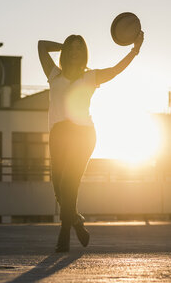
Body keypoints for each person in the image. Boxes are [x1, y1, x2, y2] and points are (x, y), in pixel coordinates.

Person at [38, 31, 144, 252]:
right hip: (58, 134)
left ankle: (64, 233)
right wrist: (65, 44)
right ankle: (76, 220)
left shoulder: (90, 77)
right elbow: (41, 45)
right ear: (66, 52)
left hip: (83, 134)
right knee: (58, 187)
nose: (76, 52)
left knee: (70, 183)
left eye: (79, 48)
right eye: (72, 48)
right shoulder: (54, 74)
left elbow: (115, 70)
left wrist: (134, 50)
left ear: (84, 53)